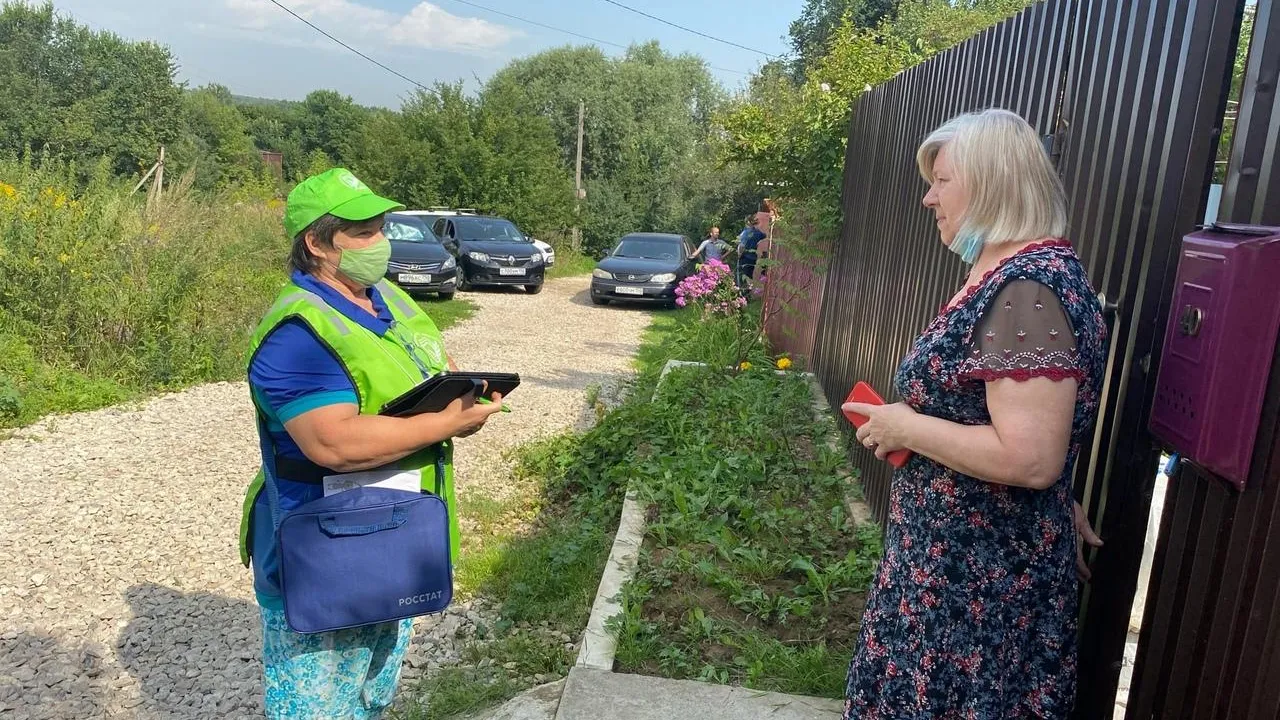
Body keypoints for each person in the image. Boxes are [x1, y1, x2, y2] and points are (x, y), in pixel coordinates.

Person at [839, 109, 1107, 718]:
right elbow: (1024, 430)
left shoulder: (1027, 292)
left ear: (991, 183)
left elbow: (1030, 457)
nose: (929, 197)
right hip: (953, 570)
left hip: (976, 590)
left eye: (943, 181)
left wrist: (906, 426)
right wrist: (1057, 497)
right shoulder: (1014, 280)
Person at [237, 168, 503, 719]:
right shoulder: (298, 333)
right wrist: (446, 425)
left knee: (371, 697)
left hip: (392, 536)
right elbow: (332, 443)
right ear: (316, 243)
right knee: (317, 709)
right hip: (327, 549)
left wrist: (464, 399)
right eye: (362, 232)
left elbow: (437, 365)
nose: (379, 242)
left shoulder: (389, 299)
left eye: (381, 227)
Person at [735, 214, 766, 290]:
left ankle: (743, 294)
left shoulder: (746, 233)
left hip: (744, 256)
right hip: (753, 258)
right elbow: (764, 235)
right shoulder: (757, 233)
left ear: (748, 223)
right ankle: (748, 292)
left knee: (743, 277)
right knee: (749, 276)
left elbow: (742, 245)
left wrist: (739, 254)